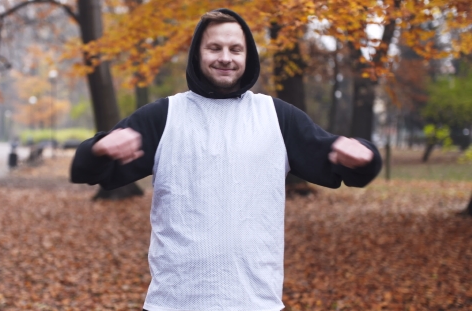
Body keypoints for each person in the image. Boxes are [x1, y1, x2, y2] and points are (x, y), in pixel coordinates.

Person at [70, 8, 382, 311]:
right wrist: (99, 149)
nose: (225, 57)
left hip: (256, 301)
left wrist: (365, 157)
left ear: (248, 57)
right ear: (197, 54)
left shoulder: (277, 117)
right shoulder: (164, 116)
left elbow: (340, 163)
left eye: (235, 49)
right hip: (175, 301)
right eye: (214, 48)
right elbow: (89, 170)